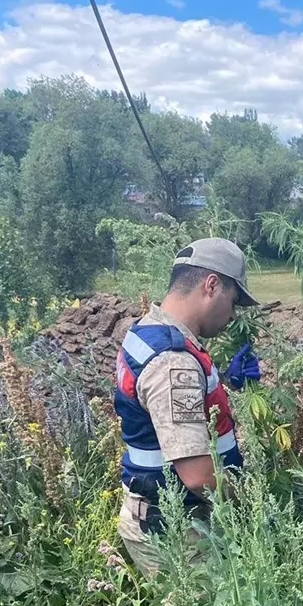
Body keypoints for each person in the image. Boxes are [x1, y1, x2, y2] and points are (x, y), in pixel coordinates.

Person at [113, 238, 261, 577]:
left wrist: (220, 383)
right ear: (212, 285)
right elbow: (198, 477)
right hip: (177, 533)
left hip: (167, 519)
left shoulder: (150, 330)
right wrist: (254, 502)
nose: (233, 314)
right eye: (233, 301)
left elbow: (163, 410)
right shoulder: (172, 363)